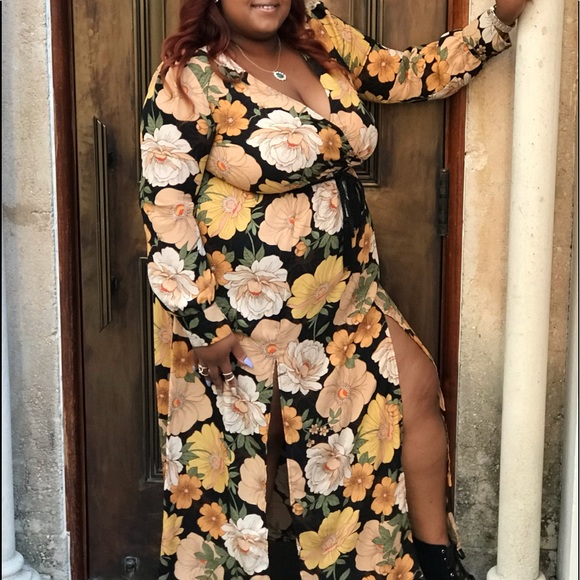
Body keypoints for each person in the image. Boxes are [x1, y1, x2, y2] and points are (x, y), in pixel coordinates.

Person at [139, 0, 528, 578]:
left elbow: (405, 73)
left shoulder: (319, 33)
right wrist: (205, 324)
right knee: (256, 456)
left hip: (348, 295)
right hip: (245, 314)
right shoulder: (189, 77)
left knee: (416, 387)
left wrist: (496, 23)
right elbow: (165, 203)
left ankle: (438, 563)